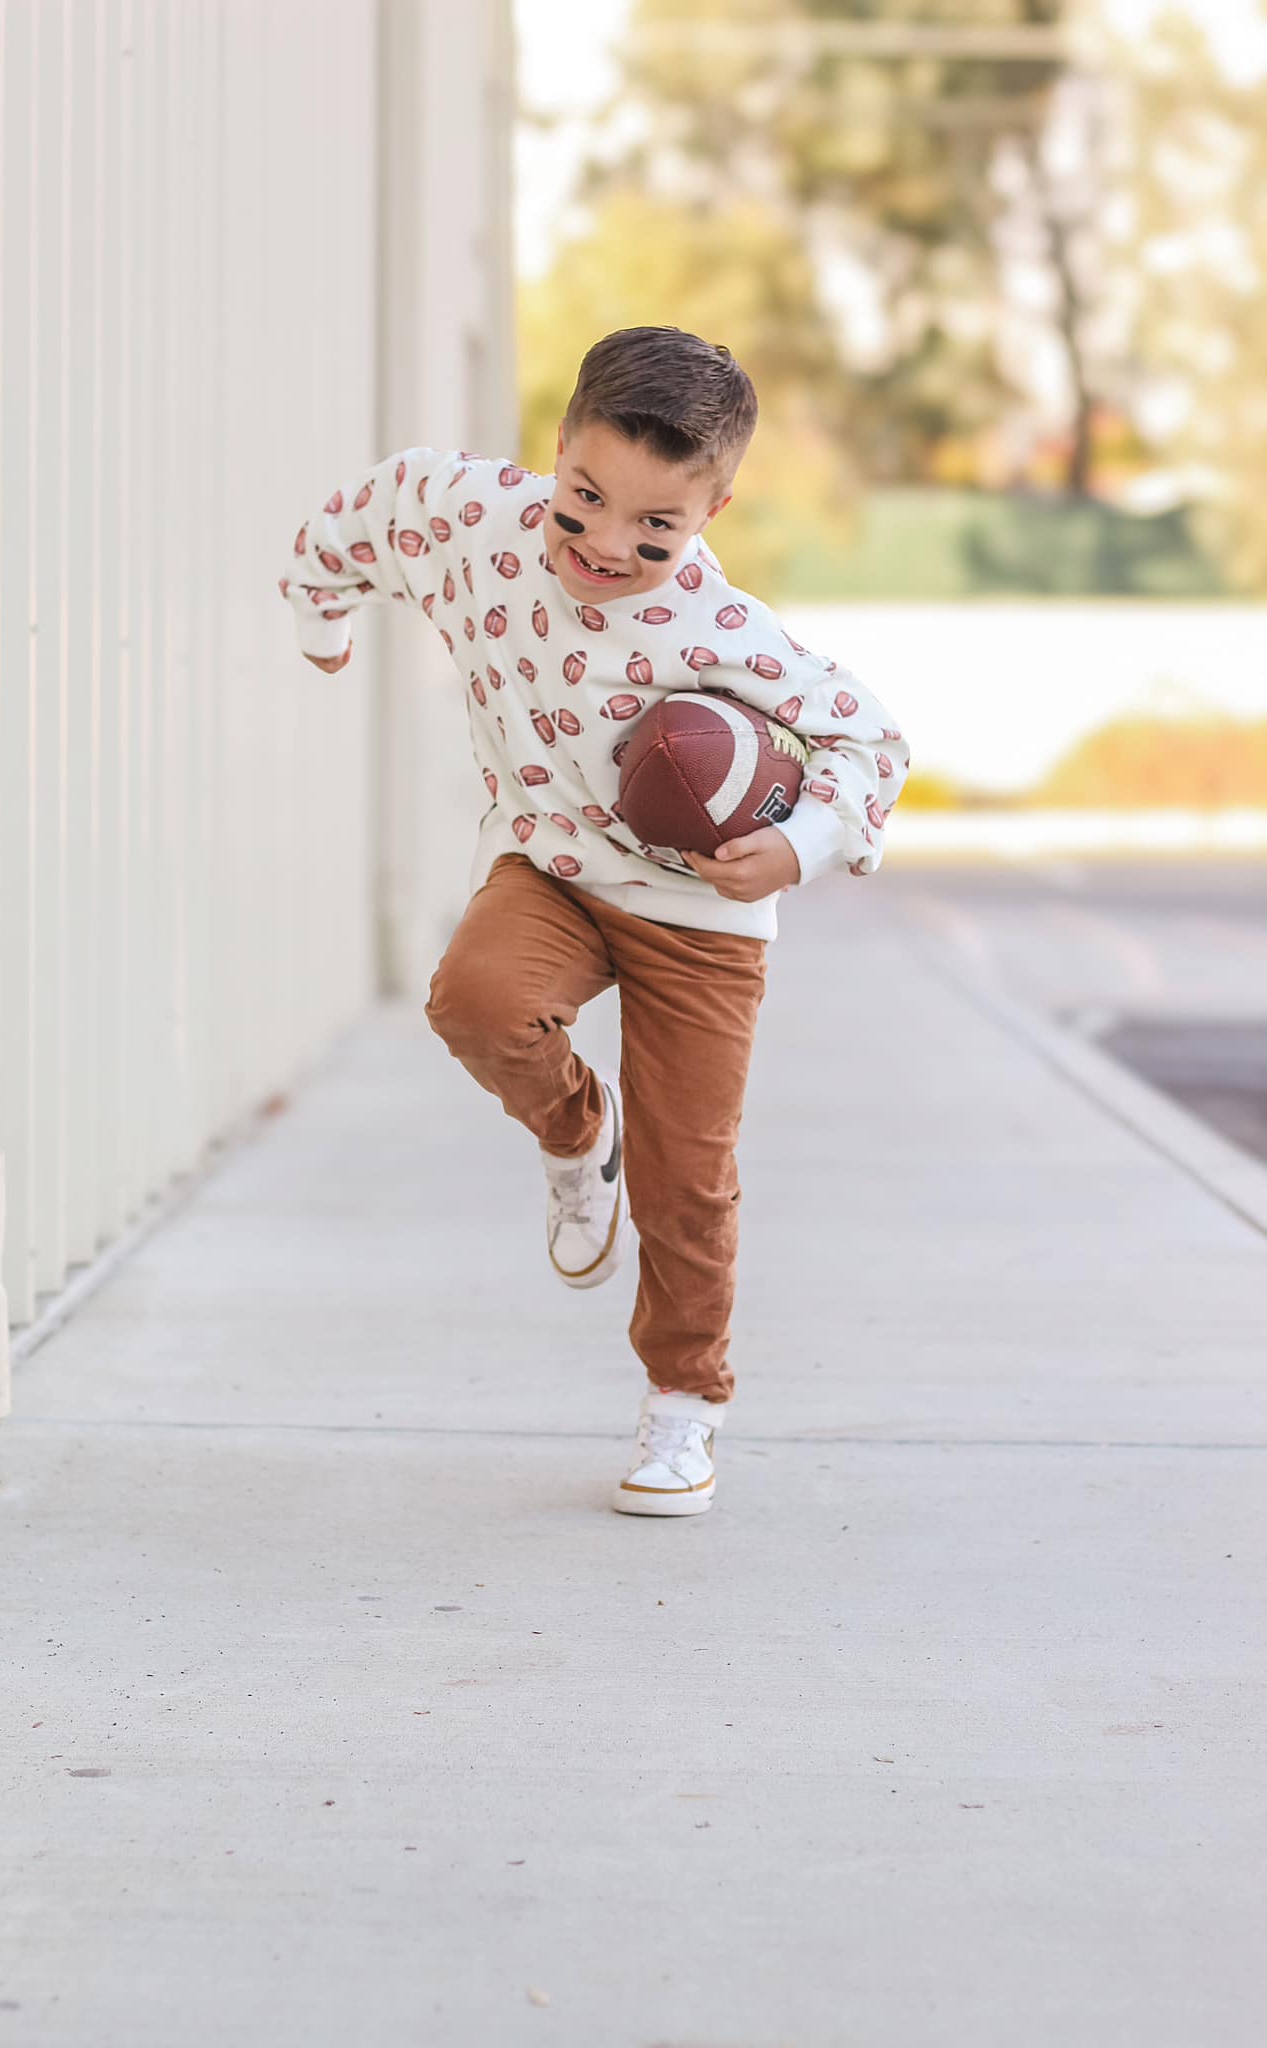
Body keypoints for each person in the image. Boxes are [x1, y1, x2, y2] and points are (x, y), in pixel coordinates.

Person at [279, 325, 910, 1518]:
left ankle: (684, 1401)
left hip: (700, 916)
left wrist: (797, 842)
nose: (607, 545)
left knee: (688, 1176)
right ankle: (576, 1138)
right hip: (552, 867)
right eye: (585, 499)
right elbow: (360, 517)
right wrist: (321, 614)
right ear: (558, 446)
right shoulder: (467, 516)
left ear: (715, 505)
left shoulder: (721, 631)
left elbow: (870, 737)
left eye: (655, 528)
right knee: (475, 1004)